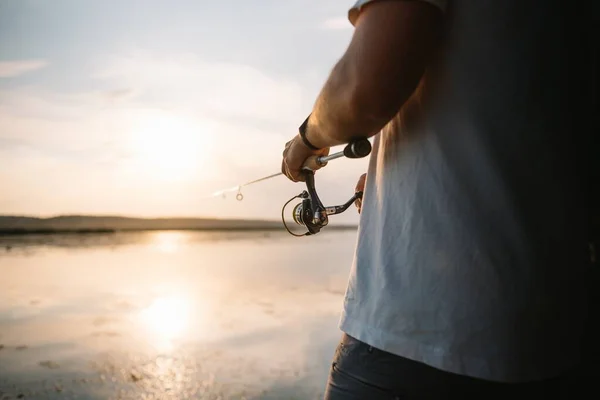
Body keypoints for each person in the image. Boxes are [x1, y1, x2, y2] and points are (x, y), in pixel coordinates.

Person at [282, 0, 599, 398]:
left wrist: (306, 139)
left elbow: (362, 89)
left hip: (418, 337)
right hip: (559, 337)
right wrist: (387, 182)